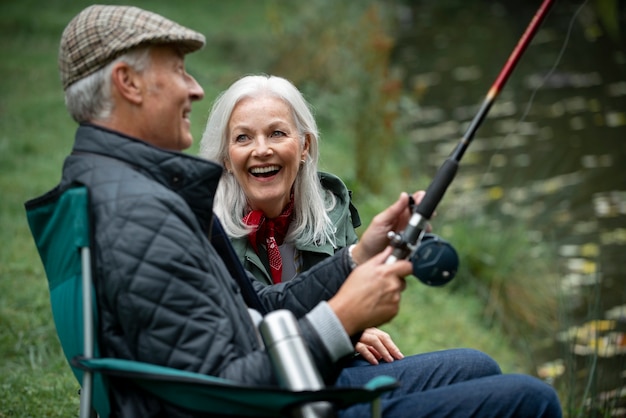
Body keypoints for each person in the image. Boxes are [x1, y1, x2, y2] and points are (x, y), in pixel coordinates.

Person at [27, 4, 562, 417]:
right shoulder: (141, 214)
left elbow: (251, 309)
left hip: (268, 389)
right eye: (179, 69)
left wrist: (355, 257)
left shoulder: (120, 187)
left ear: (305, 145)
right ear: (128, 83)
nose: (195, 87)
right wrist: (343, 318)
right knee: (528, 400)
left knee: (476, 365)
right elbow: (222, 389)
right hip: (270, 404)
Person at [199, 74, 405, 365]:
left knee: (477, 364)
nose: (261, 150)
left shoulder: (332, 208)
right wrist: (343, 327)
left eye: (277, 133)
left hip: (329, 364)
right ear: (226, 159)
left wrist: (358, 326)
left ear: (305, 145)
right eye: (243, 137)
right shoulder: (206, 229)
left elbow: (355, 304)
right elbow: (247, 329)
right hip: (268, 380)